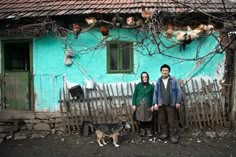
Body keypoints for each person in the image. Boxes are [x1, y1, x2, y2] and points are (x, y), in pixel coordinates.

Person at [153, 64, 182, 143]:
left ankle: (173, 136)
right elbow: (155, 93)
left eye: (166, 70)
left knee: (171, 121)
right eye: (163, 70)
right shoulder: (158, 81)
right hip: (161, 104)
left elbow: (179, 91)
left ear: (169, 71)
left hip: (171, 103)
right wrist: (155, 103)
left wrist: (178, 102)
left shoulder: (173, 80)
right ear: (161, 71)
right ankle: (165, 134)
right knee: (162, 120)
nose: (165, 72)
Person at [132, 72, 154, 137]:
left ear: (148, 78)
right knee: (141, 118)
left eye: (146, 77)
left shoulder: (151, 87)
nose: (144, 78)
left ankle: (149, 130)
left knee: (148, 117)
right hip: (139, 104)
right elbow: (134, 95)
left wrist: (153, 105)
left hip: (148, 104)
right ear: (141, 78)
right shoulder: (138, 86)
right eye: (143, 77)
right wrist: (134, 104)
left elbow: (153, 96)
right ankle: (142, 130)